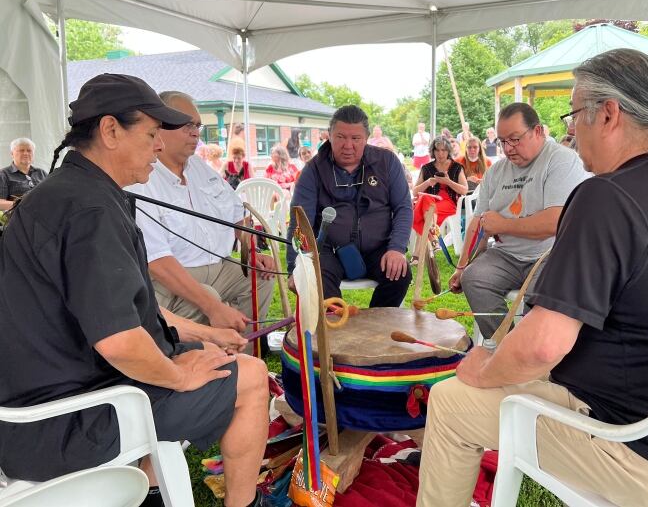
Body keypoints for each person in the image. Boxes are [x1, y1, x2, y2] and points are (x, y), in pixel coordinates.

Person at [417, 49, 648, 507]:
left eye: (575, 114)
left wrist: (484, 367)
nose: (569, 129)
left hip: (643, 454)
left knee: (450, 402)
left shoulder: (607, 195)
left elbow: (544, 346)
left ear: (608, 114)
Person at [0, 74, 269, 507]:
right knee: (253, 378)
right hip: (64, 421)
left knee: (219, 360)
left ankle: (150, 489)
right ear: (110, 131)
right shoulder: (90, 209)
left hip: (41, 405)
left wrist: (206, 335)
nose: (159, 146)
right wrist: (180, 375)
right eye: (149, 134)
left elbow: (120, 313)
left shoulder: (67, 192)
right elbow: (121, 341)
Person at [129, 90, 276, 334]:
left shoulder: (200, 168)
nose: (195, 132)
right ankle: (206, 361)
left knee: (260, 278)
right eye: (186, 125)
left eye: (197, 125)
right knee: (208, 297)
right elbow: (157, 263)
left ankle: (242, 353)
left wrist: (251, 249)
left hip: (218, 266)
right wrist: (212, 306)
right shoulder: (141, 178)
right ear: (159, 126)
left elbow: (237, 214)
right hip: (169, 279)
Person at [449, 102, 587, 336]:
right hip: (506, 255)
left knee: (543, 294)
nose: (508, 148)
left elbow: (555, 222)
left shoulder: (561, 160)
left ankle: (534, 354)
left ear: (538, 131)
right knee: (474, 278)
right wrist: (462, 266)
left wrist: (503, 225)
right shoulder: (496, 171)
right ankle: (503, 344)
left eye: (515, 139)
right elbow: (478, 223)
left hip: (551, 255)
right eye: (502, 141)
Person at [288, 105, 412, 306]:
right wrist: (295, 267)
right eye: (340, 137)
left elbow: (403, 208)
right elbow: (300, 222)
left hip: (378, 248)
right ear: (329, 135)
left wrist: (397, 248)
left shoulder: (387, 162)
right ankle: (335, 328)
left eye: (355, 139)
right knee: (316, 276)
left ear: (366, 138)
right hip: (328, 250)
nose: (348, 145)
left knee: (399, 273)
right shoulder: (313, 170)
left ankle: (376, 326)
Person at [413, 136, 468, 227]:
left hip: (449, 204)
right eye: (437, 150)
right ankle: (433, 234)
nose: (440, 153)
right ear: (433, 151)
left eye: (443, 150)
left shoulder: (456, 167)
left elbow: (464, 190)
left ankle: (429, 236)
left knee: (422, 212)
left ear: (448, 151)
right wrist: (427, 182)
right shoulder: (426, 168)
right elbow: (415, 192)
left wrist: (448, 182)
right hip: (429, 202)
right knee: (425, 199)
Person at [0, 138, 47, 211]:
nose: (26, 153)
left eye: (29, 150)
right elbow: (1, 203)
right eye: (21, 150)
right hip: (17, 219)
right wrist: (27, 205)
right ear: (12, 154)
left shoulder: (42, 173)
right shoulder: (3, 175)